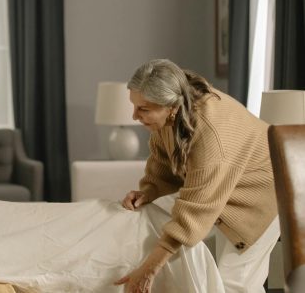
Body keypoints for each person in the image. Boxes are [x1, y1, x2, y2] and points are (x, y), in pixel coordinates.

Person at [114, 59, 279, 293]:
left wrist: (150, 269)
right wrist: (149, 191)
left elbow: (194, 212)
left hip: (263, 197)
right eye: (134, 106)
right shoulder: (170, 116)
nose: (134, 116)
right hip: (221, 191)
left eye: (143, 109)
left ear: (170, 106)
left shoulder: (210, 134)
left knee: (234, 286)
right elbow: (163, 165)